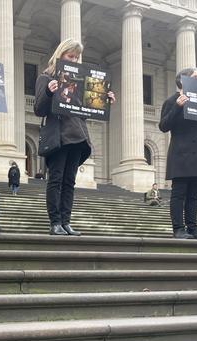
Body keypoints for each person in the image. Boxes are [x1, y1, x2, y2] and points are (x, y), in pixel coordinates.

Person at [34, 38, 116, 236]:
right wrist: (48, 91)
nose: (73, 60)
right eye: (70, 56)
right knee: (56, 179)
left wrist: (104, 101)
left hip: (77, 135)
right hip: (58, 135)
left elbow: (85, 110)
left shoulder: (80, 80)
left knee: (69, 181)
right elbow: (39, 109)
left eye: (76, 57)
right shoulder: (46, 78)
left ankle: (66, 221)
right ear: (60, 55)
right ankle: (55, 222)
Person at [159, 67, 197, 240]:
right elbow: (163, 126)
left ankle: (193, 228)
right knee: (179, 194)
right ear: (183, 80)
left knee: (194, 195)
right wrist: (177, 107)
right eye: (196, 77)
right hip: (180, 154)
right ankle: (178, 228)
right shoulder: (171, 101)